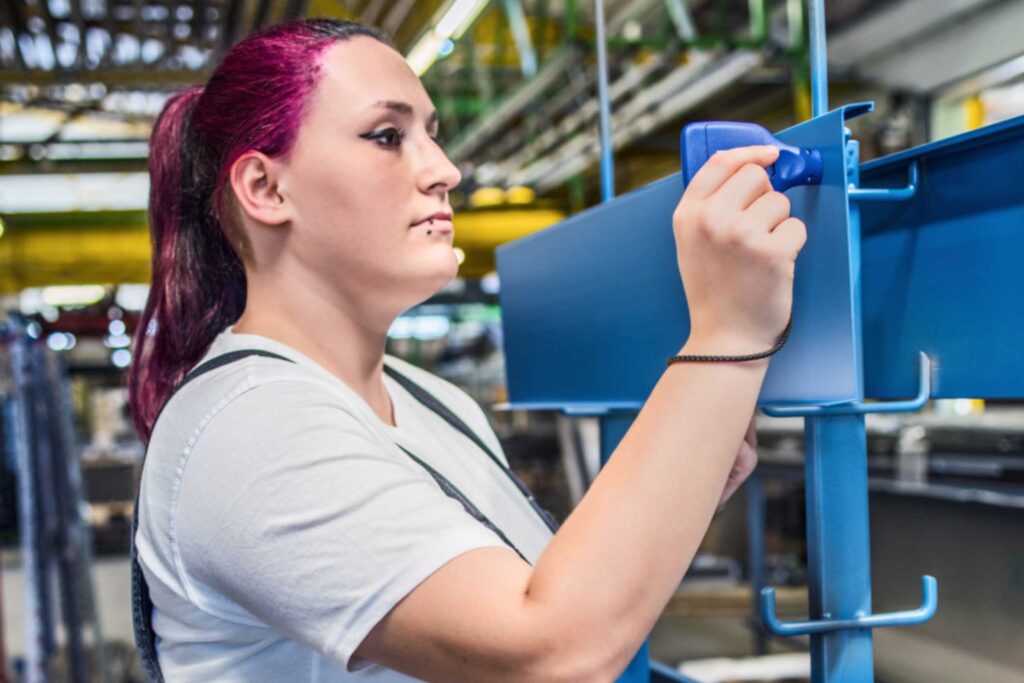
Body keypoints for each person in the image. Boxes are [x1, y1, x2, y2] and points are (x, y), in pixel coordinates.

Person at [128, 17, 805, 683]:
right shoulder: (251, 430)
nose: (444, 170)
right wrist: (728, 333)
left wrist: (686, 477)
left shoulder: (431, 400)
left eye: (432, 135)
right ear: (266, 189)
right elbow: (548, 648)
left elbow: (543, 593)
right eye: (387, 136)